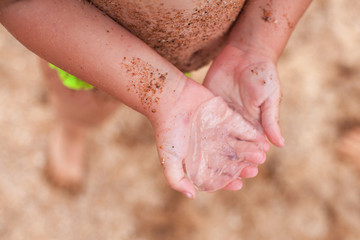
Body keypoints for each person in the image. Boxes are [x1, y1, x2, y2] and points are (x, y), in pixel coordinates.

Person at [0, 0, 312, 198]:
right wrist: (164, 94)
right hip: (93, 55)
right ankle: (72, 129)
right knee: (83, 108)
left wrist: (256, 42)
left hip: (215, 50)